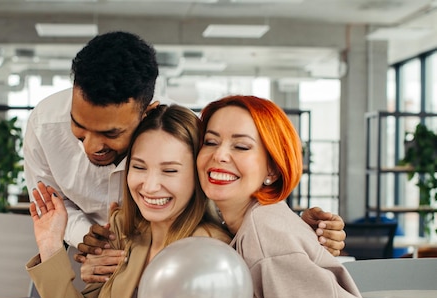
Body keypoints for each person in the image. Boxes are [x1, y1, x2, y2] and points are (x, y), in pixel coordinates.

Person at [162, 95, 431, 298]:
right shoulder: (252, 227)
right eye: (210, 141)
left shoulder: (267, 233)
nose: (220, 155)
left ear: (272, 170)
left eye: (241, 146)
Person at [22, 30, 346, 279]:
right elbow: (53, 205)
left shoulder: (177, 133)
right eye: (80, 128)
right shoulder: (43, 125)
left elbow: (226, 194)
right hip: (91, 262)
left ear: (148, 112)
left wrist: (293, 236)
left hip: (179, 264)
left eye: (111, 134)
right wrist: (86, 237)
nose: (91, 146)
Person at [26, 104, 231, 298]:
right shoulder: (125, 229)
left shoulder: (209, 255)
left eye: (170, 170)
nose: (149, 185)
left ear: (197, 175)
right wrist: (51, 246)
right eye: (140, 167)